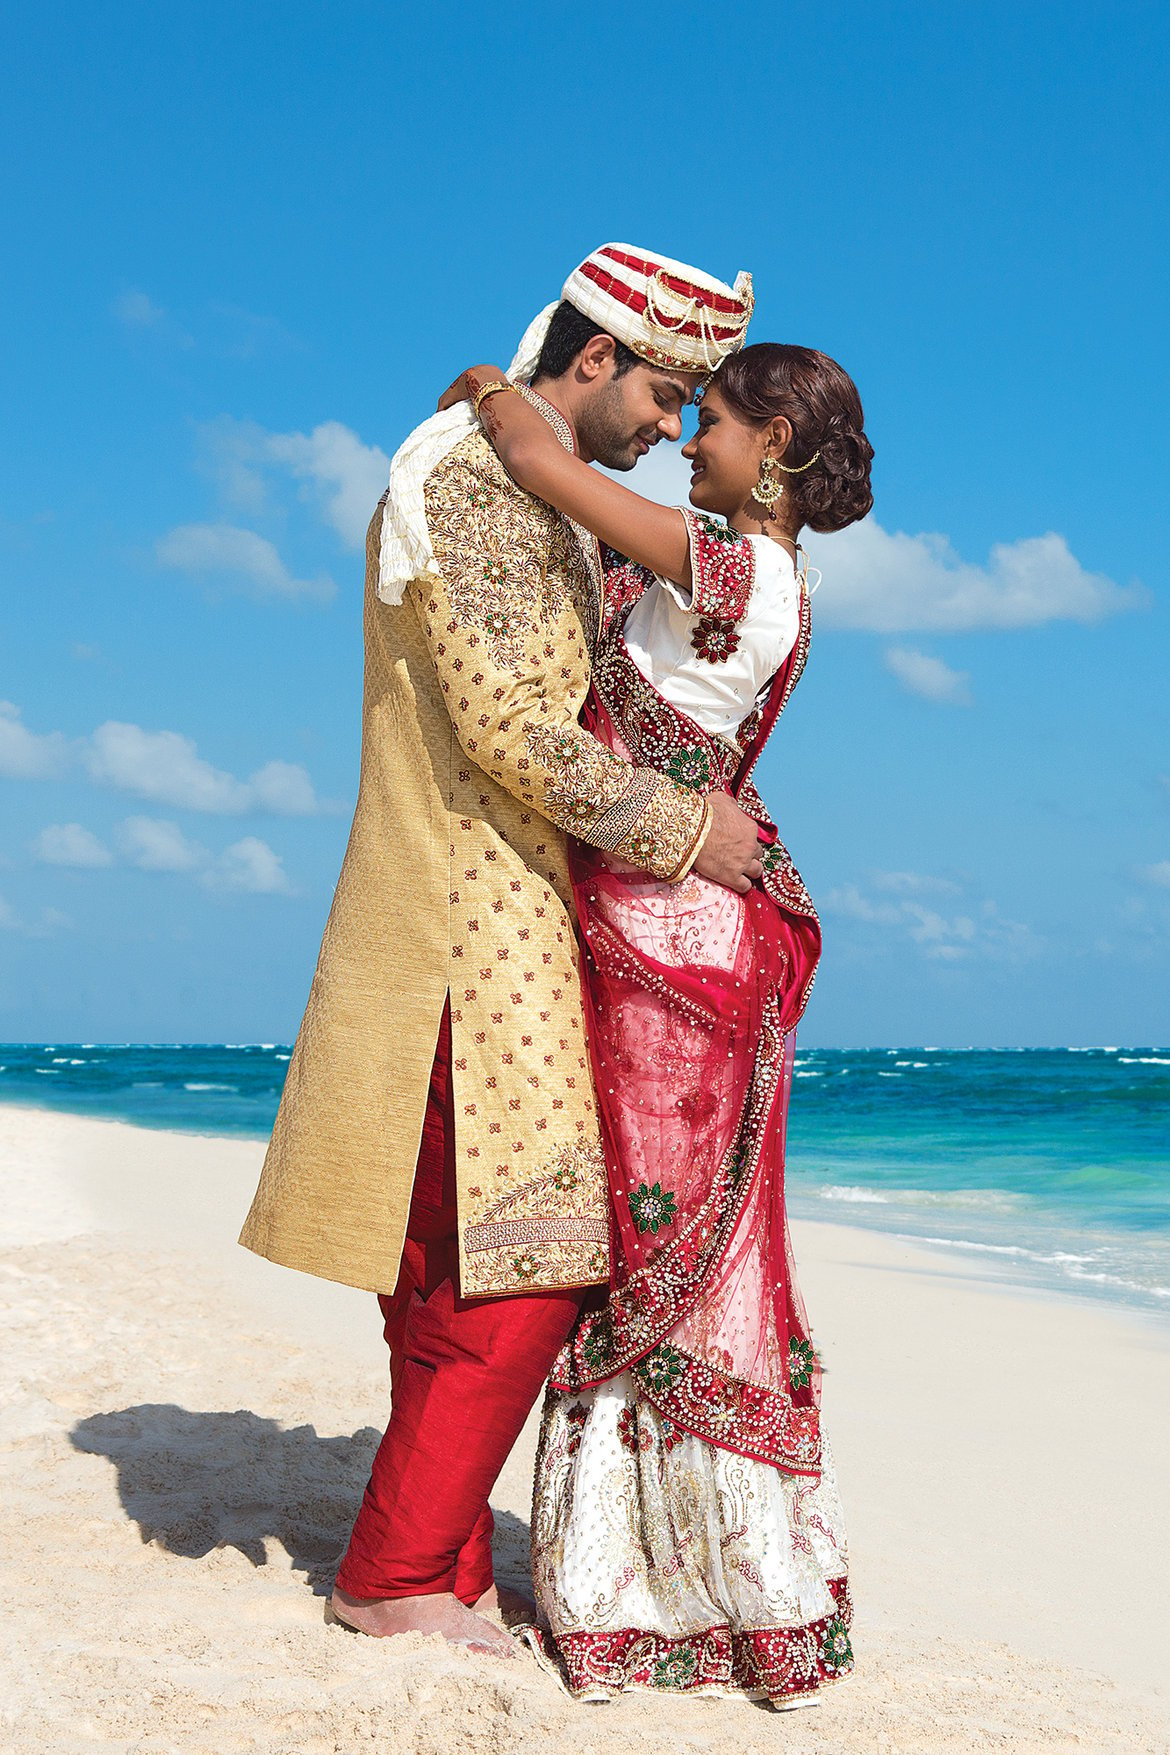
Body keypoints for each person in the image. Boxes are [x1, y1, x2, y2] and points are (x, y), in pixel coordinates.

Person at [236, 244, 764, 1656]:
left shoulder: (485, 452)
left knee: (448, 1264)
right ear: (592, 360)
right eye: (660, 394)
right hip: (479, 915)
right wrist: (681, 832)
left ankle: (447, 1559)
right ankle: (396, 1575)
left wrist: (491, 389)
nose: (667, 428)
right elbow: (512, 727)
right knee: (520, 1271)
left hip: (468, 907)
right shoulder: (476, 480)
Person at [450, 340, 874, 1699]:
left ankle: (655, 1593)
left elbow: (537, 462)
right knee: (665, 1260)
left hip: (671, 946)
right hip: (671, 925)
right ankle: (676, 1585)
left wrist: (490, 383)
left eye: (717, 422)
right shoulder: (744, 572)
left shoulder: (739, 567)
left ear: (777, 448)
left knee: (650, 1265)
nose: (689, 438)